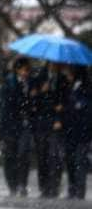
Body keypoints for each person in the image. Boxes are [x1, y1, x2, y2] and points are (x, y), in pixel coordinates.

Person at [0, 57, 34, 197]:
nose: (26, 73)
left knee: (23, 154)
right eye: (24, 70)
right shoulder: (9, 83)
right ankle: (12, 183)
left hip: (25, 124)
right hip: (11, 124)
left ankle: (22, 183)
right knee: (10, 155)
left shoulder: (31, 84)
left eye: (27, 70)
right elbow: (7, 105)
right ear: (17, 70)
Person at [30, 62, 66, 198]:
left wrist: (59, 114)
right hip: (41, 122)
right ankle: (44, 186)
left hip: (56, 122)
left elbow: (64, 99)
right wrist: (40, 92)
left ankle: (54, 185)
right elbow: (32, 100)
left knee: (55, 156)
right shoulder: (39, 78)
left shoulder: (62, 80)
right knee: (42, 155)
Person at [61, 65, 91, 199]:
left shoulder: (86, 87)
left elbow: (86, 108)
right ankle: (72, 188)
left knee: (80, 162)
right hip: (70, 130)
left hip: (81, 131)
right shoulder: (69, 86)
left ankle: (79, 190)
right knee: (71, 161)